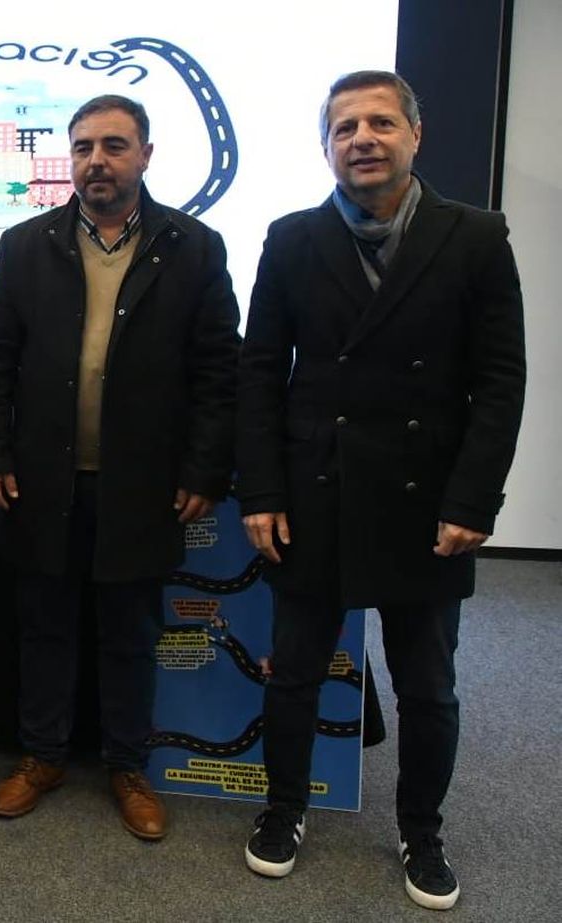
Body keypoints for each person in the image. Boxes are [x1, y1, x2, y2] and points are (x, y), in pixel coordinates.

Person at [237, 71, 525, 910]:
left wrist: (474, 501)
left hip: (425, 502)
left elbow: (500, 380)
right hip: (313, 489)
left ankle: (422, 829)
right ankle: (283, 808)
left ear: (414, 136)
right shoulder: (290, 238)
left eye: (381, 122)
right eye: (345, 127)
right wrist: (260, 489)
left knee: (428, 684)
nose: (363, 137)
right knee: (293, 672)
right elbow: (261, 375)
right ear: (325, 147)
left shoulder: (475, 236)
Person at [0, 95, 241, 841]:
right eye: (84, 145)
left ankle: (127, 765)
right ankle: (43, 756)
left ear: (146, 154)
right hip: (41, 479)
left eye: (114, 145)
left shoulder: (195, 246)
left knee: (129, 632)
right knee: (45, 627)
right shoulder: (26, 245)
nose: (97, 160)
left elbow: (220, 372)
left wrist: (203, 469)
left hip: (143, 483)